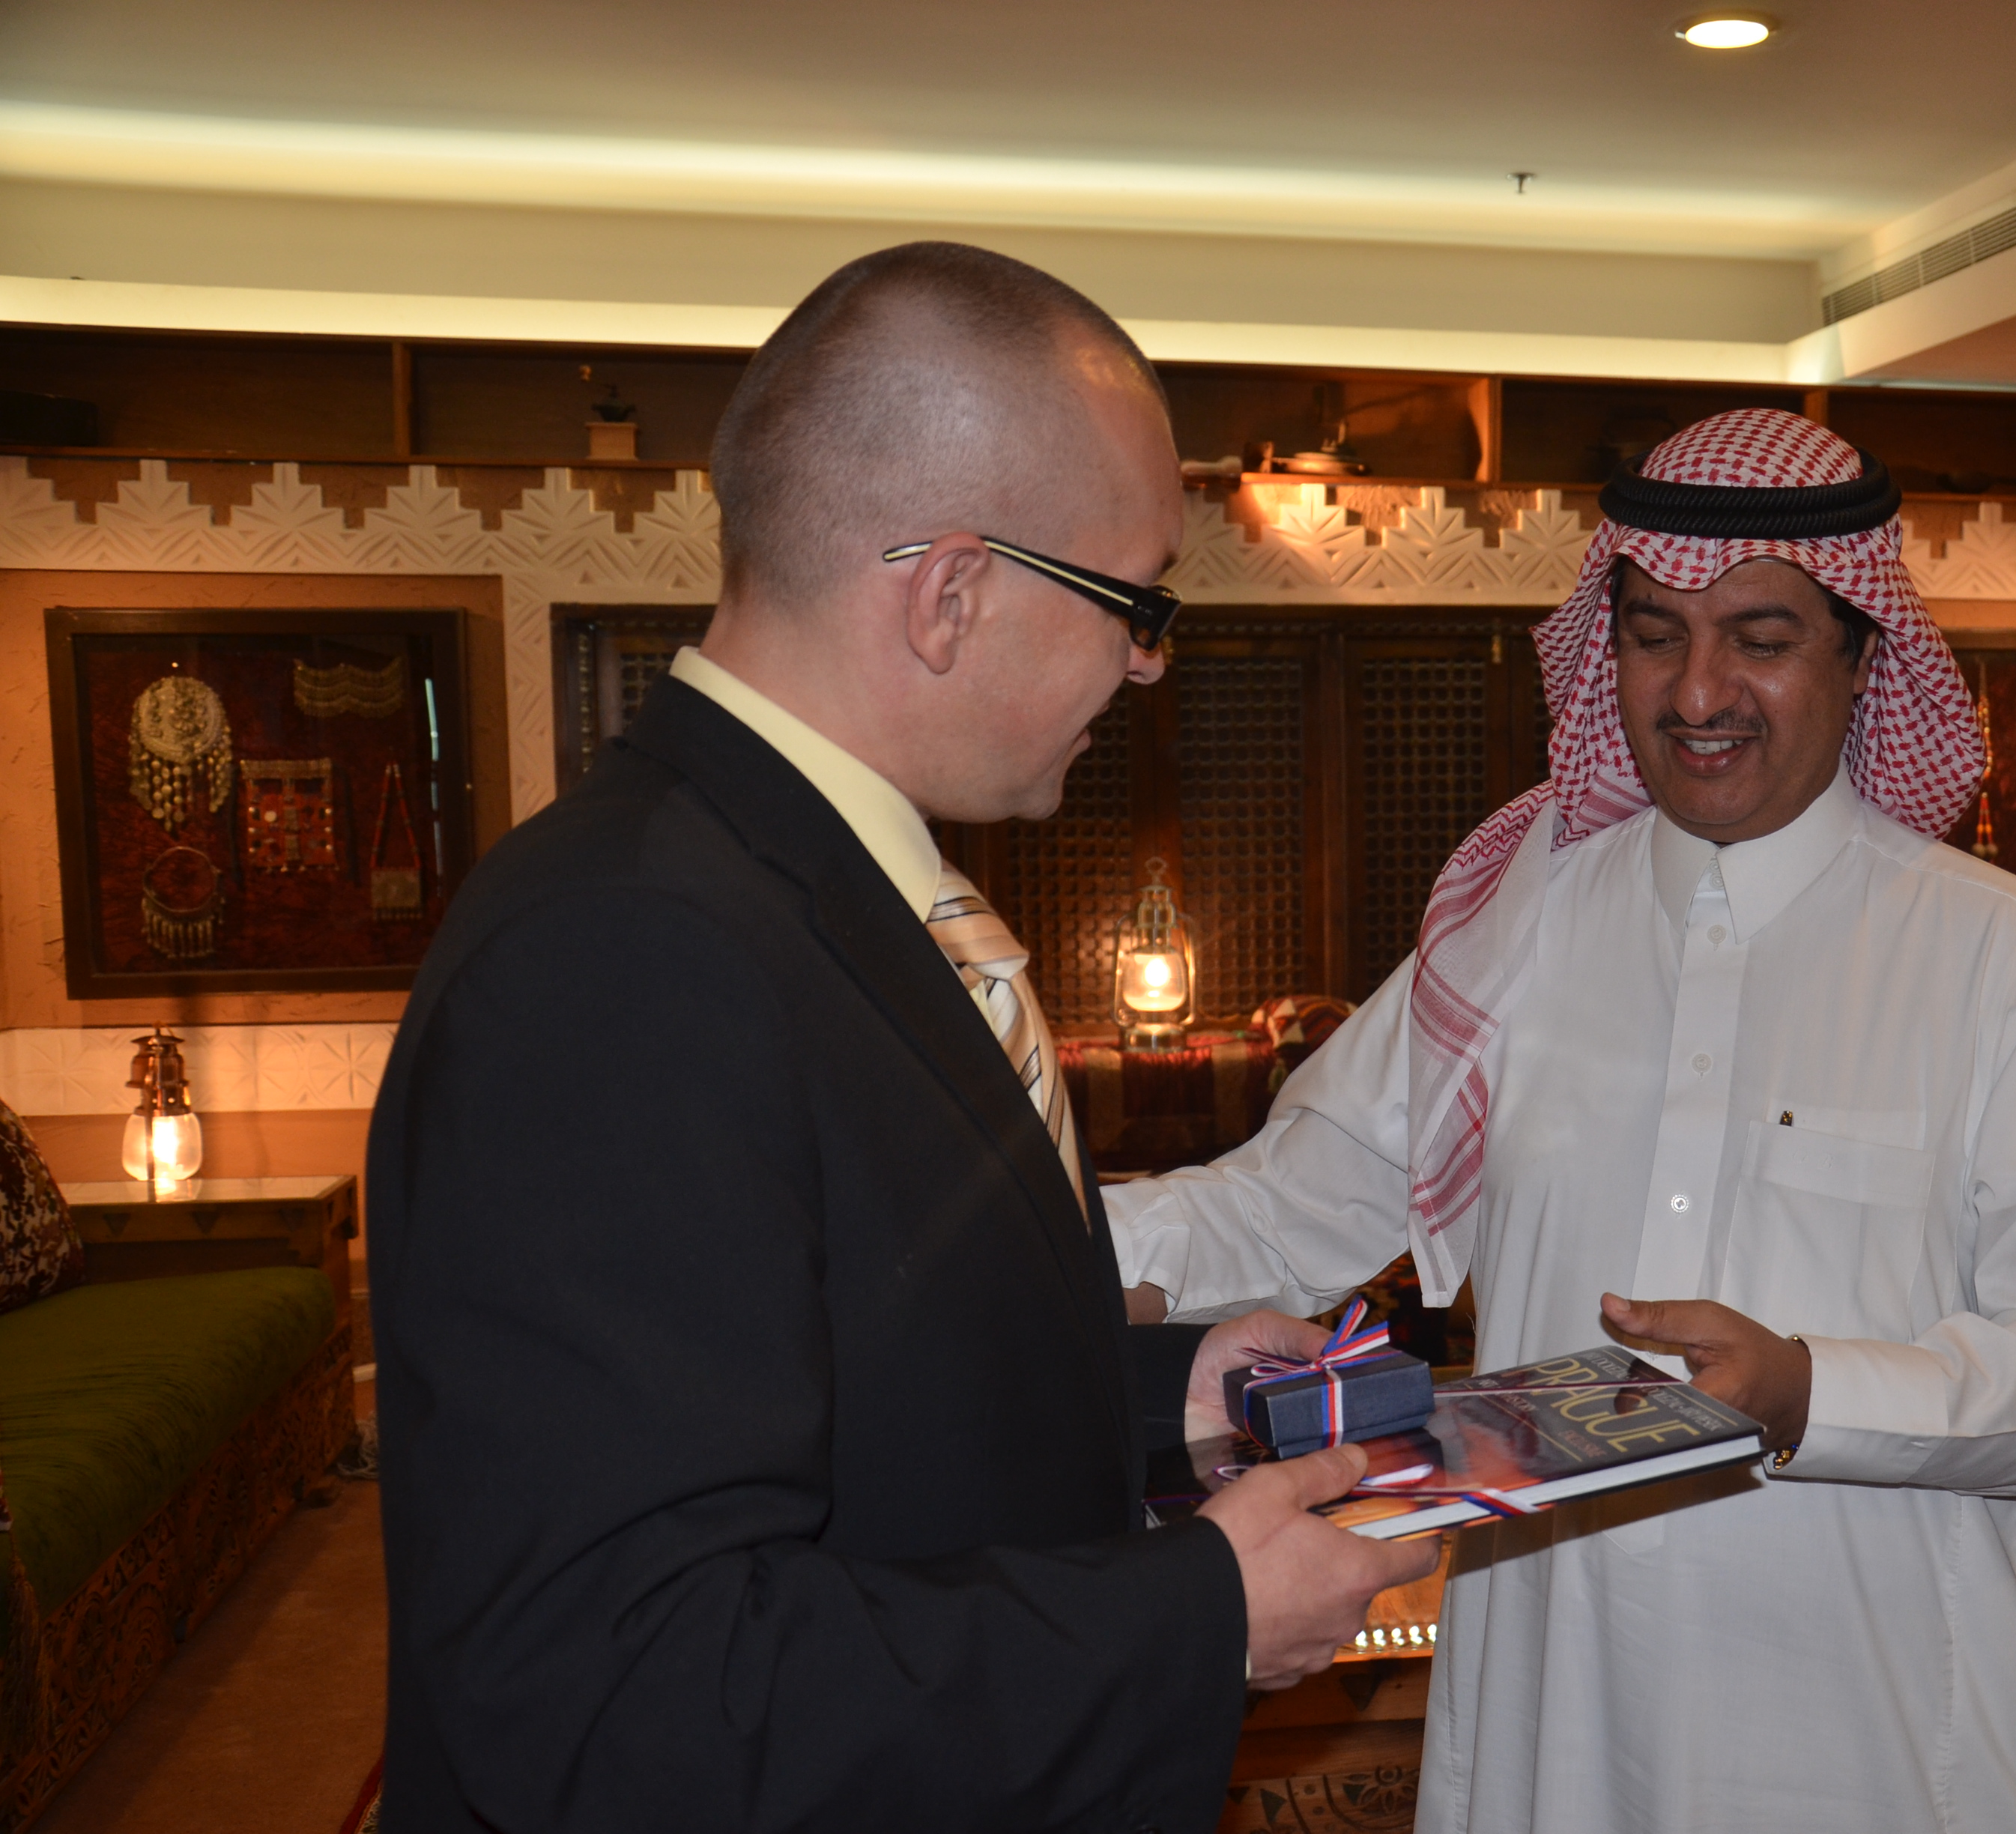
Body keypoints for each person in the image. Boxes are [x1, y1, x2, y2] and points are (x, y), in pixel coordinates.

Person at [366, 242, 1437, 1833]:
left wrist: (1163, 1391)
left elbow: (852, 1360)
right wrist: (1194, 1615)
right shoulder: (623, 952)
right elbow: (619, 1691)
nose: (1149, 660)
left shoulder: (822, 889)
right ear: (951, 595)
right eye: (1136, 601)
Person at [1109, 408, 2016, 1833]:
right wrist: (1005, 1246)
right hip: (1559, 1713)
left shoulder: (2002, 957)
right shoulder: (1514, 923)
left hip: (1880, 1734)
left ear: (1863, 655)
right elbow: (1281, 1203)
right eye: (1654, 634)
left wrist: (1815, 1392)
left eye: (1762, 638)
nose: (1698, 691)